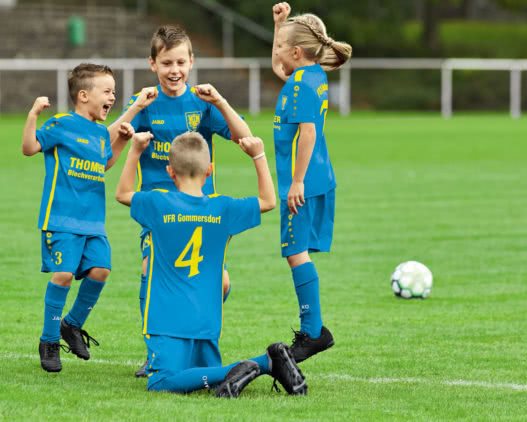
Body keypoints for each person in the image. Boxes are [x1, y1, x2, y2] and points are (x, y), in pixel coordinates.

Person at [108, 24, 253, 377]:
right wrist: (132, 111)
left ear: (191, 62)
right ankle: (157, 350)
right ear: (152, 64)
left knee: (219, 283)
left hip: (202, 209)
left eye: (180, 62)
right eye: (166, 63)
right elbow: (106, 150)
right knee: (151, 271)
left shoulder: (202, 104)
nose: (174, 71)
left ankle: (189, 338)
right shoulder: (145, 103)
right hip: (160, 208)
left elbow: (245, 136)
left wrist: (220, 101)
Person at [116, 131, 306, 397]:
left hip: (167, 319)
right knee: (202, 378)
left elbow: (123, 192)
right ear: (210, 171)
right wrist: (258, 155)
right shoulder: (223, 208)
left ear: (170, 171)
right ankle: (260, 364)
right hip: (207, 319)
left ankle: (259, 364)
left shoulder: (157, 202)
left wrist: (135, 150)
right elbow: (268, 201)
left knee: (160, 382)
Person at [21, 63, 137, 372]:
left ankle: (71, 325)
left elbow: (102, 165)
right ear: (84, 95)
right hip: (61, 220)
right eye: (108, 91)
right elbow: (30, 148)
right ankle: (48, 340)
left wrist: (122, 142)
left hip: (93, 222)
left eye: (114, 91)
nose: (113, 97)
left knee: (101, 270)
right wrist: (34, 115)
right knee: (64, 275)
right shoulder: (61, 123)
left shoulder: (101, 133)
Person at [270, 2, 352, 363]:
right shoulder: (312, 74)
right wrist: (278, 26)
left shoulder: (303, 83)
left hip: (304, 182)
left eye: (281, 46)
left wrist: (297, 181)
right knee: (295, 251)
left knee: (294, 251)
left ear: (296, 52)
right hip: (319, 177)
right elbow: (278, 62)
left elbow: (307, 133)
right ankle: (313, 329)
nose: (276, 53)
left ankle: (314, 332)